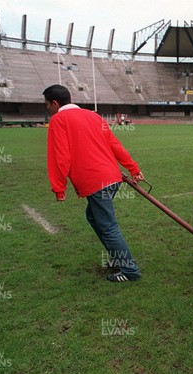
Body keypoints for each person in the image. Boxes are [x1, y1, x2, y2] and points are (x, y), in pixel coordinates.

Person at [43, 84, 144, 282]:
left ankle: (129, 270)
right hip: (112, 178)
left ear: (55, 103)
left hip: (95, 181)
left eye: (47, 105)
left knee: (107, 225)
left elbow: (59, 156)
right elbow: (114, 144)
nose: (47, 108)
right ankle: (118, 259)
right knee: (94, 216)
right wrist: (133, 168)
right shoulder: (93, 116)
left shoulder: (58, 120)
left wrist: (59, 188)